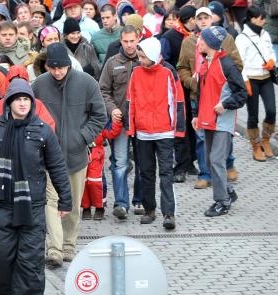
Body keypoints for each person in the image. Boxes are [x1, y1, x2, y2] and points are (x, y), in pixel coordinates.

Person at [0, 79, 72, 295]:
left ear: (32, 102)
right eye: (17, 99)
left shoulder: (42, 131)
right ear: (8, 102)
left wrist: (65, 200)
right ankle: (4, 288)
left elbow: (57, 167)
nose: (22, 103)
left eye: (26, 99)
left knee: (30, 259)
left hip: (33, 206)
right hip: (2, 205)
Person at [32, 43, 106, 267]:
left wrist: (81, 138)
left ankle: (69, 245)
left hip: (76, 156)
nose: (57, 72)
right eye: (52, 68)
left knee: (73, 204)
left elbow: (99, 116)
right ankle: (54, 248)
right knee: (51, 202)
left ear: (68, 65)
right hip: (47, 157)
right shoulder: (39, 85)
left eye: (61, 68)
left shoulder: (86, 83)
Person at [125, 38, 185, 229]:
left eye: (142, 57)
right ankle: (149, 209)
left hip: (164, 131)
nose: (140, 60)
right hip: (143, 132)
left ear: (152, 55)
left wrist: (179, 129)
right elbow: (130, 101)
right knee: (146, 173)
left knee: (166, 173)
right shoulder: (135, 73)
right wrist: (131, 128)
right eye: (139, 56)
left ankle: (169, 213)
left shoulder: (168, 72)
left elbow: (178, 101)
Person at [194, 27, 247, 217]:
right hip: (207, 119)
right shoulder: (204, 62)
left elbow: (242, 94)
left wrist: (225, 104)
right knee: (210, 161)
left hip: (222, 122)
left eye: (201, 39)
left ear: (210, 43)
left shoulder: (227, 65)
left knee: (216, 160)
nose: (199, 42)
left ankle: (222, 202)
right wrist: (195, 115)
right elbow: (200, 94)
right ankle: (229, 191)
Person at [98, 25, 142, 217]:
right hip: (121, 122)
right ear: (121, 41)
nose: (129, 45)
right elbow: (103, 90)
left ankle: (140, 200)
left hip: (143, 122)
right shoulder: (112, 63)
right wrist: (112, 109)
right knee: (120, 163)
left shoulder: (146, 60)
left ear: (138, 39)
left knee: (142, 163)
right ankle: (121, 204)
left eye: (132, 41)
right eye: (125, 41)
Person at [234, 6, 276, 161]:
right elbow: (239, 62)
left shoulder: (264, 34)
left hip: (266, 78)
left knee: (271, 111)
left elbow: (271, 51)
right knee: (253, 115)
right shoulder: (242, 38)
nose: (264, 21)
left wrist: (272, 61)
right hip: (251, 79)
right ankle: (256, 146)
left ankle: (265, 140)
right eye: (261, 18)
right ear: (252, 19)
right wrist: (245, 80)